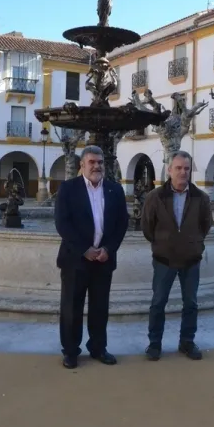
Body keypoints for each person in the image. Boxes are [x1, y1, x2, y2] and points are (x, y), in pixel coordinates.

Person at [54, 145, 129, 369]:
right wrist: (84, 249)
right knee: (71, 308)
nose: (97, 166)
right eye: (92, 162)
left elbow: (122, 224)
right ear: (82, 165)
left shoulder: (115, 190)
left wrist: (109, 249)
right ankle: (70, 351)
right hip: (75, 260)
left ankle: (98, 348)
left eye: (100, 162)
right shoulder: (68, 189)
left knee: (100, 308)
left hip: (103, 261)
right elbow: (62, 224)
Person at [140, 150, 213, 361]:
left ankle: (187, 342)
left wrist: (192, 244)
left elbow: (205, 225)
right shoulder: (155, 197)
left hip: (191, 260)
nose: (183, 172)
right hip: (164, 260)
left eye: (187, 168)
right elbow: (147, 227)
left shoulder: (201, 198)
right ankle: (154, 344)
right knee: (158, 303)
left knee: (190, 303)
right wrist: (163, 243)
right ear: (169, 170)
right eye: (179, 168)